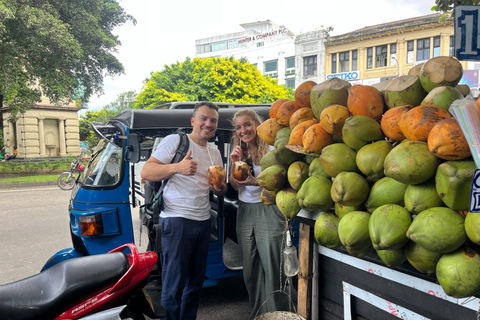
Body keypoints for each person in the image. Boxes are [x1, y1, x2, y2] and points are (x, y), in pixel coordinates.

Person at [140, 101, 227, 320]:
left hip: (202, 220)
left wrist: (219, 188)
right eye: (203, 119)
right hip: (177, 221)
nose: (208, 124)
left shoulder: (214, 152)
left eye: (213, 120)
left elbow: (221, 189)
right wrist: (177, 167)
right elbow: (147, 171)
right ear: (193, 121)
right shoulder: (176, 141)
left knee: (195, 283)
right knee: (174, 283)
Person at [229, 109, 288, 319]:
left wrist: (256, 181)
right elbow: (235, 187)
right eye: (238, 127)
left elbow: (283, 184)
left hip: (270, 210)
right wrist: (233, 162)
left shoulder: (272, 149)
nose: (243, 130)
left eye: (247, 125)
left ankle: (280, 313)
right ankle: (258, 313)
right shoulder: (239, 152)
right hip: (245, 211)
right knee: (250, 269)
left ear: (257, 124)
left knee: (273, 266)